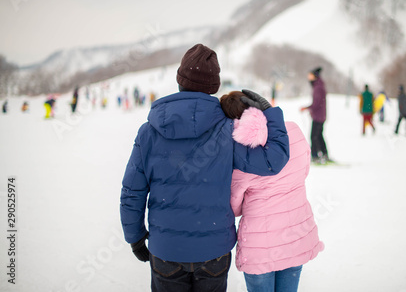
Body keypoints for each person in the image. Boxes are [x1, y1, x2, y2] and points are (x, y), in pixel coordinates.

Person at [119, 44, 290, 292]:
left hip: (166, 250)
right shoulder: (227, 130)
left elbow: (131, 192)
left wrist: (134, 237)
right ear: (214, 87)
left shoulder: (149, 132)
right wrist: (270, 112)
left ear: (180, 80)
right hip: (214, 252)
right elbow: (273, 160)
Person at [220, 91, 323, 292]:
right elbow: (304, 170)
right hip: (296, 235)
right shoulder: (292, 130)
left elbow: (235, 207)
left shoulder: (242, 153)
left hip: (260, 247)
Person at [300, 67, 332, 164]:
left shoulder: (318, 87)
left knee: (314, 136)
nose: (308, 77)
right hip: (320, 116)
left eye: (310, 75)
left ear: (315, 76)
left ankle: (315, 156)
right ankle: (324, 154)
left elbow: (317, 103)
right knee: (318, 136)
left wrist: (306, 108)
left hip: (318, 116)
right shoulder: (318, 85)